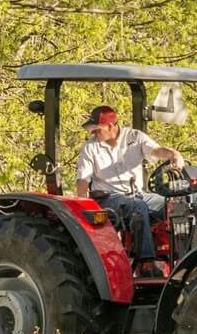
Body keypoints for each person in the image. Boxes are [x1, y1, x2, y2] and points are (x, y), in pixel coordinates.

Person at [74, 105, 185, 272]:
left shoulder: (135, 137)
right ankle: (146, 263)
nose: (93, 133)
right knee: (137, 207)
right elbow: (83, 179)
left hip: (137, 194)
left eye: (97, 130)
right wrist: (82, 205)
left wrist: (173, 154)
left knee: (176, 204)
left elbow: (155, 150)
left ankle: (180, 256)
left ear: (111, 126)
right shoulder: (90, 147)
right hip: (108, 198)